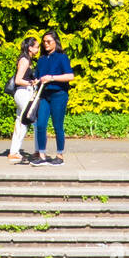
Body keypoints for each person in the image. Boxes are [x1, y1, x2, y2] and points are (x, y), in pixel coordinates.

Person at [33, 30, 74, 165]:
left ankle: (60, 155)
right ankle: (42, 155)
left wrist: (52, 78)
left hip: (59, 95)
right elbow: (39, 76)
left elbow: (70, 76)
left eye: (49, 41)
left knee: (57, 125)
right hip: (44, 95)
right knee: (40, 124)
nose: (46, 44)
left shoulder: (62, 57)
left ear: (55, 42)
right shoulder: (42, 59)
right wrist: (36, 81)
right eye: (44, 42)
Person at [8, 37, 40, 165]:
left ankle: (14, 151)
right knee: (31, 120)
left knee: (21, 121)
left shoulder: (26, 59)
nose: (38, 49)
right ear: (30, 47)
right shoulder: (25, 60)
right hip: (23, 92)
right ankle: (37, 150)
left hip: (22, 93)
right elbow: (18, 80)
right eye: (36, 47)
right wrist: (31, 82)